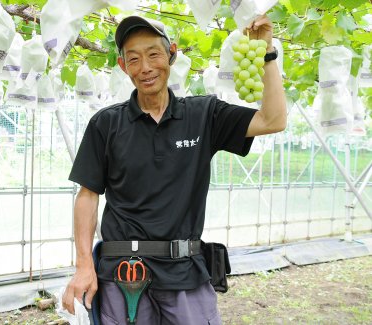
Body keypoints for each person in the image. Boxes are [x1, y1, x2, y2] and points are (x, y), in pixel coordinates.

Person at [62, 14, 286, 325]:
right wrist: (84, 265)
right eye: (134, 59)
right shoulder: (106, 123)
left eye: (154, 54)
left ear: (172, 53)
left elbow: (273, 120)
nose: (145, 67)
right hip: (122, 274)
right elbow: (87, 196)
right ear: (123, 66)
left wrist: (268, 54)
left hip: (185, 272)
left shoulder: (204, 114)